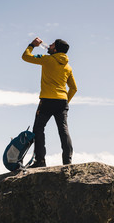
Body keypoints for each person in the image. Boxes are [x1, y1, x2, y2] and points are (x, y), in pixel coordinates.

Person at [22, 37, 77, 167]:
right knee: (63, 130)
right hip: (62, 102)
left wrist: (32, 45)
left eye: (51, 45)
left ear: (55, 49)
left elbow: (25, 56)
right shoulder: (68, 67)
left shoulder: (47, 60)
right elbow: (74, 88)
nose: (49, 46)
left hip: (47, 100)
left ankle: (40, 161)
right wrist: (65, 102)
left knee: (38, 129)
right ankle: (67, 161)